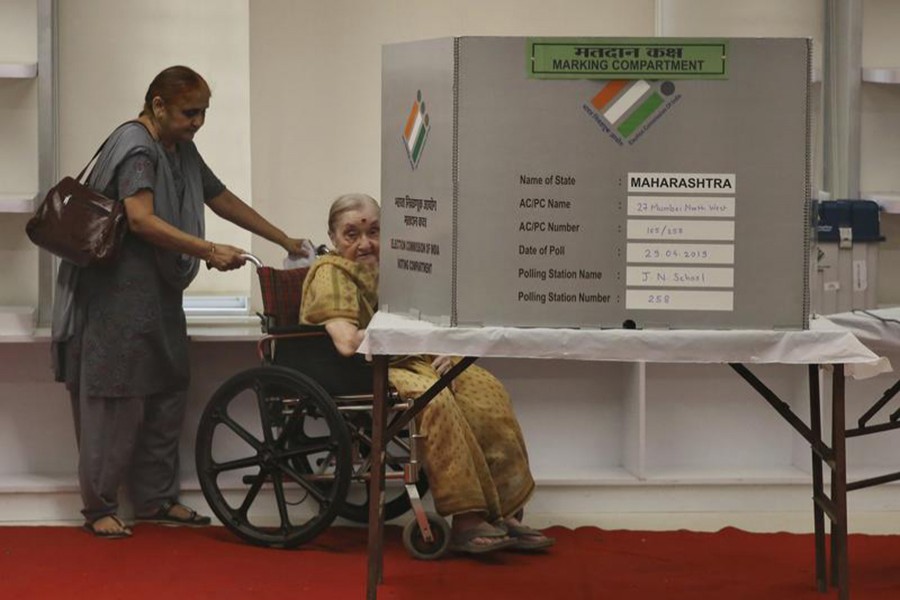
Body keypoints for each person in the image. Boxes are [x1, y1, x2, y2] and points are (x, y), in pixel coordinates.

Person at [50, 66, 308, 539]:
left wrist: (283, 238)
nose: (198, 122)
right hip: (116, 300)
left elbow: (219, 196)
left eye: (204, 112)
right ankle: (100, 507)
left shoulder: (178, 147)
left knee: (166, 394)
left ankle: (154, 499)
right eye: (191, 112)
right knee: (116, 401)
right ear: (158, 105)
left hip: (158, 295)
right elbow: (142, 221)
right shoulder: (137, 148)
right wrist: (209, 250)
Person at [299, 193, 554, 554]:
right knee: (436, 401)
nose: (365, 243)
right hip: (371, 365)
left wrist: (446, 349)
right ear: (333, 236)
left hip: (416, 354)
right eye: (351, 234)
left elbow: (434, 320)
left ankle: (505, 511)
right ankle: (467, 518)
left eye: (374, 231)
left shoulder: (398, 272)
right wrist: (405, 341)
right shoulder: (330, 273)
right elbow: (346, 341)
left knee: (487, 390)